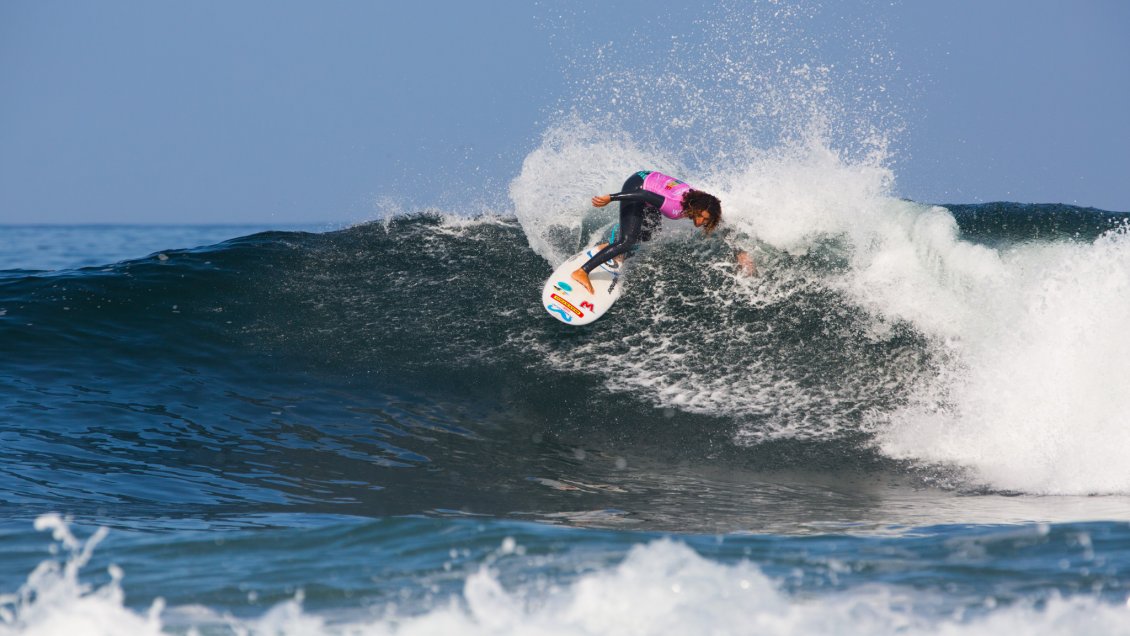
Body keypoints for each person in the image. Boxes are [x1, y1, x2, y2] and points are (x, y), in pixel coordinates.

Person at [571, 170, 754, 294]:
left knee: (650, 235)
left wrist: (740, 252)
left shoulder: (702, 201)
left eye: (705, 219)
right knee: (628, 241)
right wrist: (610, 198)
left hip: (651, 184)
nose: (700, 222)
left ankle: (613, 246)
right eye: (700, 216)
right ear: (694, 208)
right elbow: (642, 196)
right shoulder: (675, 207)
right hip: (638, 186)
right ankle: (582, 271)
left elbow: (721, 224)